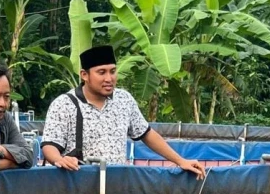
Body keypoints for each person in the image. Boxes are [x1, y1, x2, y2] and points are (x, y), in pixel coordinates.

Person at [41, 45, 206, 179]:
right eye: (101, 72)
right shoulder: (64, 104)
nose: (109, 78)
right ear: (84, 75)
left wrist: (181, 161)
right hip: (75, 183)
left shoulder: (124, 100)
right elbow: (49, 146)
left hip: (116, 185)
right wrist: (61, 160)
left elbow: (146, 133)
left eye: (112, 71)